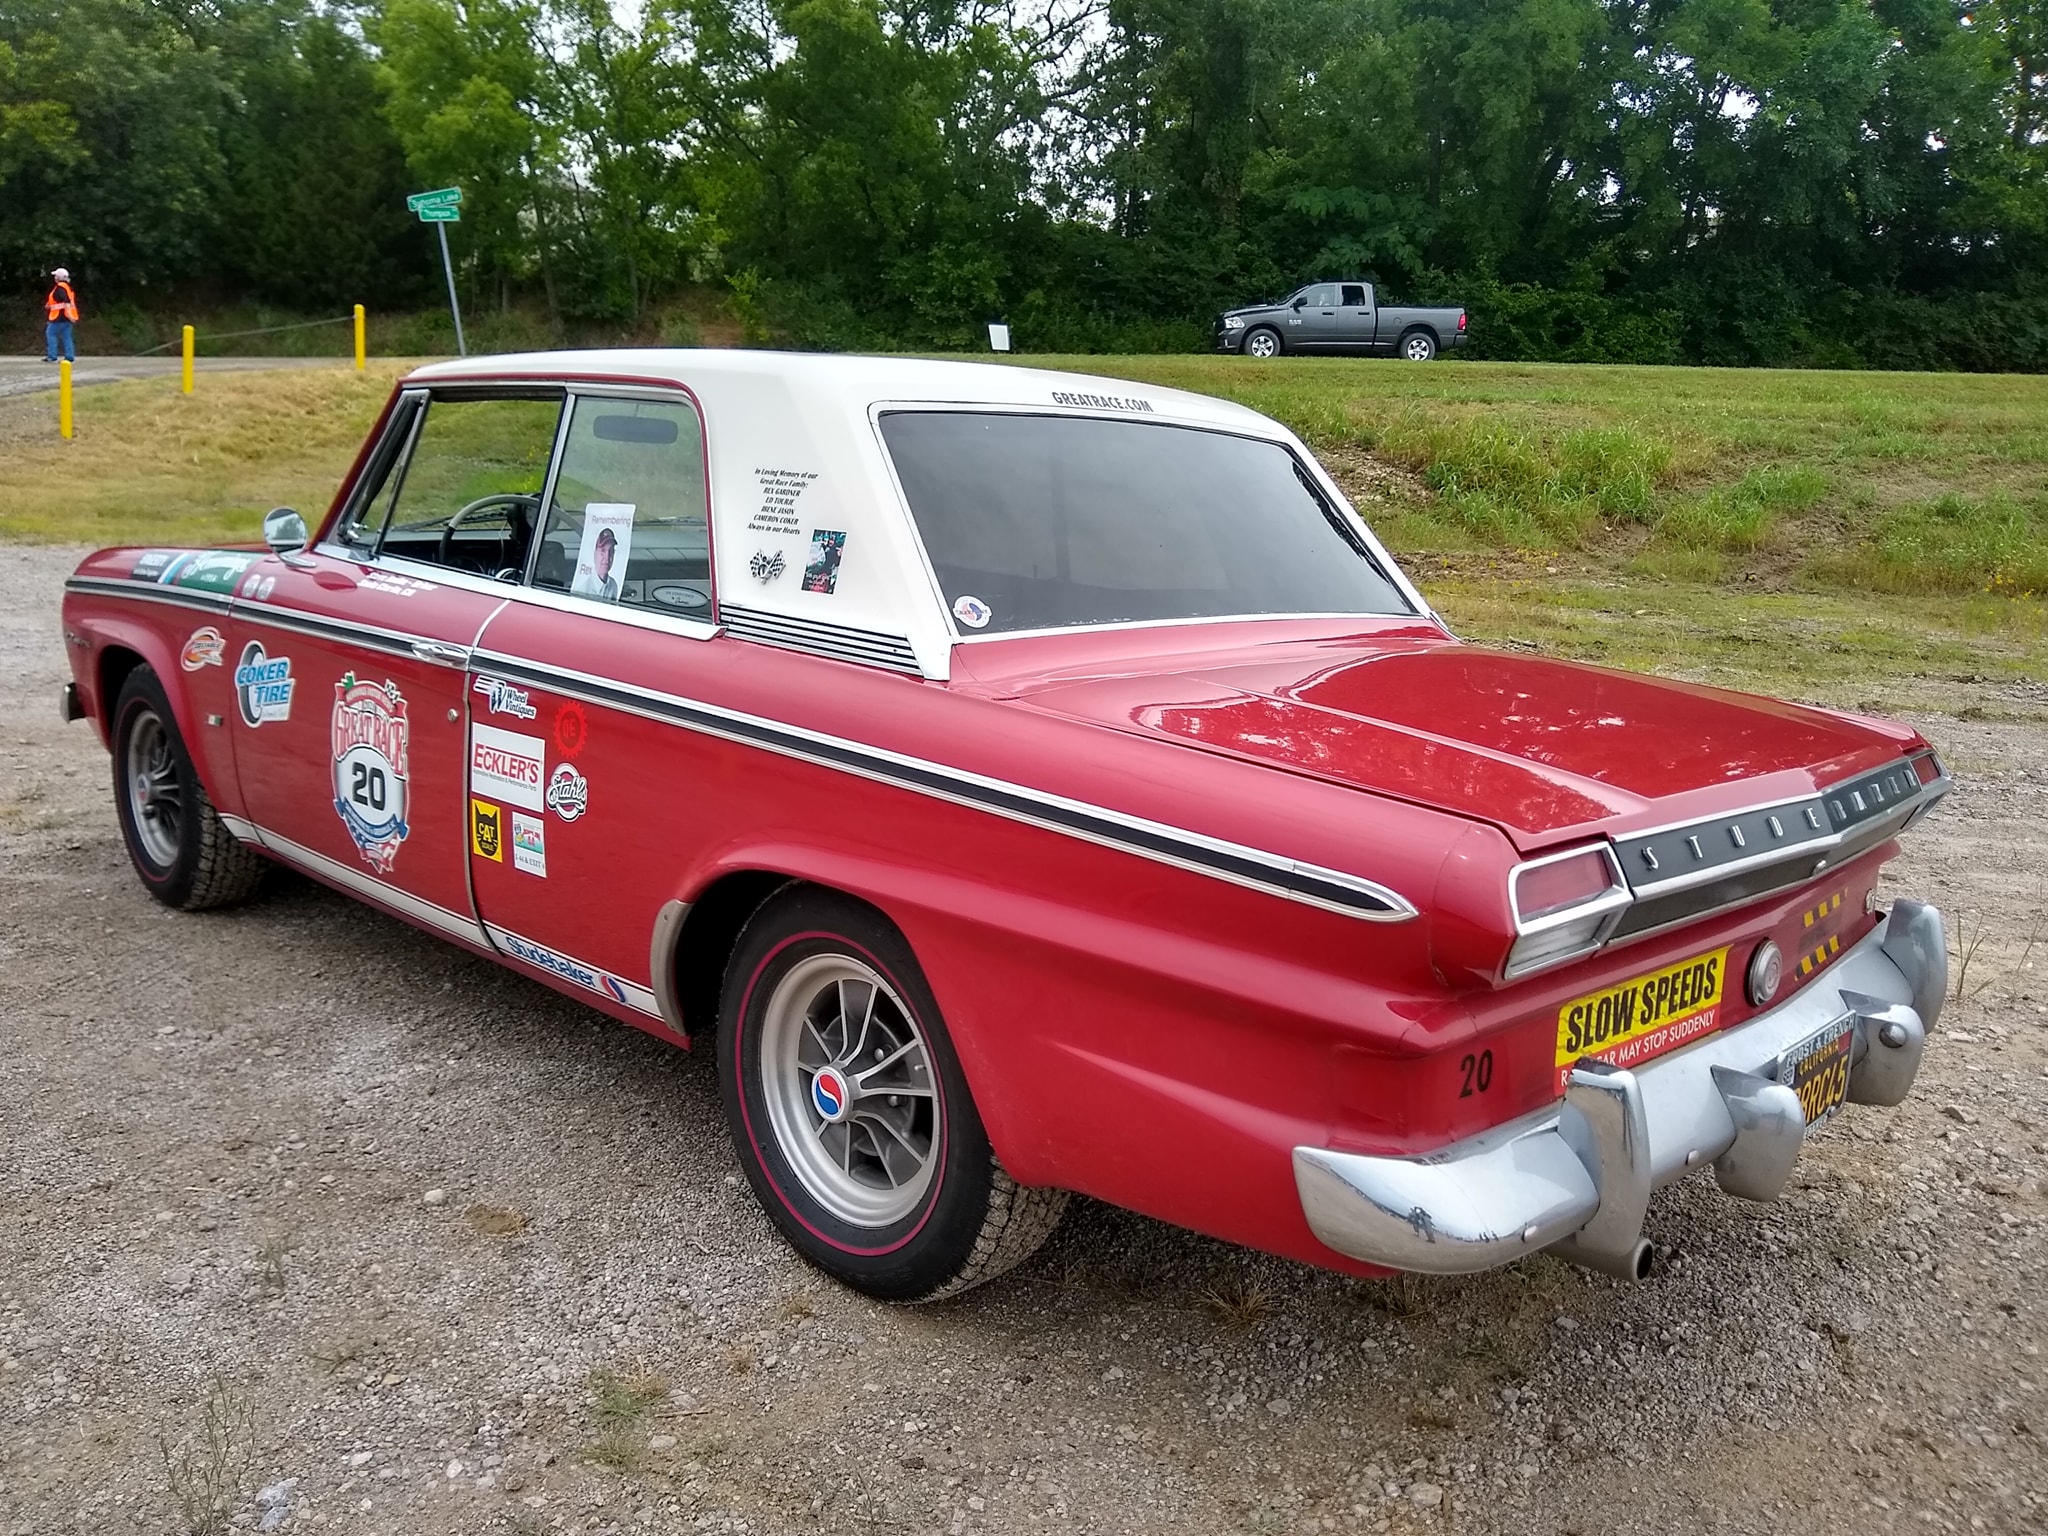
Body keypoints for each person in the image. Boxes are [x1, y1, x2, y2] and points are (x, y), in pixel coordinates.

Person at [575, 525, 620, 600]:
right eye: (602, 551)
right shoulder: (582, 591)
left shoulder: (613, 585)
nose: (607, 557)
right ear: (595, 554)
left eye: (611, 551)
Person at [44, 268, 79, 363]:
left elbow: (65, 301)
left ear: (58, 277)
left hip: (59, 317)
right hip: (66, 317)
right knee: (66, 336)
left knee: (50, 334)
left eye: (55, 276)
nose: (54, 277)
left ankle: (52, 356)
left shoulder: (60, 288)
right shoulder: (67, 287)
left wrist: (68, 315)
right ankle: (69, 357)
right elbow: (60, 300)